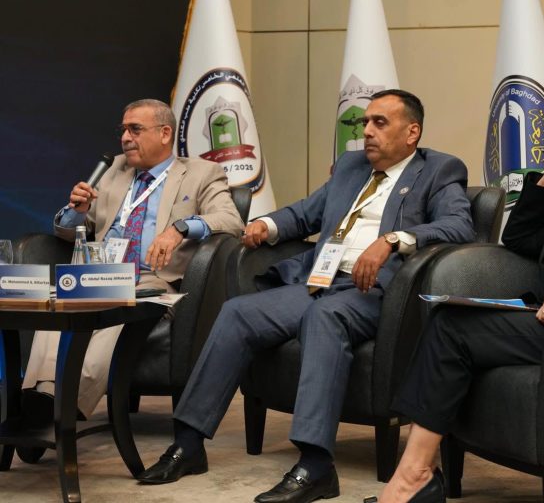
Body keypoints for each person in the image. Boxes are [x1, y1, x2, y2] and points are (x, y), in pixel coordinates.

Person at [137, 88, 476, 503]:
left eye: (379, 123)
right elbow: (305, 213)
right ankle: (188, 444)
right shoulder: (352, 166)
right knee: (237, 313)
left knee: (325, 316)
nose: (367, 131)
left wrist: (393, 240)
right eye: (365, 122)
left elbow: (459, 226)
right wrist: (267, 226)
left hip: (380, 292)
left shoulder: (438, 170)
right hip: (320, 281)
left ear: (412, 132)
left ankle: (316, 466)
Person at [377, 86, 544, 503]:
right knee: (446, 316)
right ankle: (419, 471)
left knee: (452, 330)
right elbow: (519, 238)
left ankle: (415, 476)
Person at [21, 99, 244, 434]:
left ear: (165, 133)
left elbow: (231, 220)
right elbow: (71, 230)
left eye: (135, 129)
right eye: (123, 130)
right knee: (60, 305)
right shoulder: (115, 169)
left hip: (151, 279)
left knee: (116, 309)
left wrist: (180, 228)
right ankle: (40, 396)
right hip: (99, 273)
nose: (125, 138)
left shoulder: (201, 173)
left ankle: (58, 404)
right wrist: (76, 212)